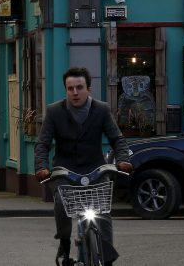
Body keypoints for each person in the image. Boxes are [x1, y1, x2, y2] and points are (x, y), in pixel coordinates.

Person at [34, 67, 133, 266]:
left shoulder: (102, 109)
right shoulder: (54, 111)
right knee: (61, 204)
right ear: (66, 90)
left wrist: (123, 160)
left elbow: (117, 139)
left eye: (79, 87)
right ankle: (64, 243)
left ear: (89, 89)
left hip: (95, 169)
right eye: (70, 88)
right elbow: (42, 144)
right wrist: (41, 166)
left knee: (102, 213)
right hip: (65, 171)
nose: (75, 92)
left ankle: (106, 258)